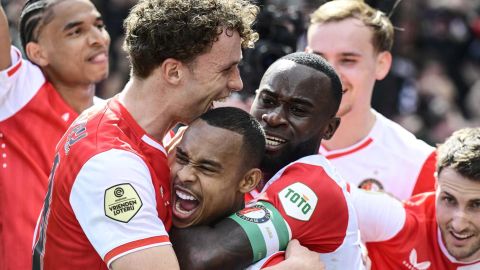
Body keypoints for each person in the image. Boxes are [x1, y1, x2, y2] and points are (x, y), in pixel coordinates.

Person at [31, 0, 258, 269]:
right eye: (225, 70)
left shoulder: (131, 129)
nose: (237, 83)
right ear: (174, 71)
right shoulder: (111, 163)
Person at [170, 52, 364, 269]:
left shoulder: (315, 187)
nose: (273, 117)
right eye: (268, 101)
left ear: (329, 128)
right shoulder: (244, 167)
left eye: (298, 110)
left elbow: (200, 256)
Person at [0, 1, 110, 269]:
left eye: (99, 25)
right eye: (75, 32)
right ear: (37, 53)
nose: (97, 39)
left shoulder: (114, 118)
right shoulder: (17, 92)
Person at [305, 0, 436, 200]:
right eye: (319, 59)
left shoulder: (418, 163)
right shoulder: (271, 142)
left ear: (382, 64)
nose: (329, 74)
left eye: (347, 60)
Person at [170, 106, 324, 270]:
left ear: (248, 181)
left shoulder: (271, 262)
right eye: (181, 157)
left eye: (206, 168)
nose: (184, 175)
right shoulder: (149, 194)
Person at [351, 127, 480, 269]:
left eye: (476, 205)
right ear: (436, 184)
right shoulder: (398, 220)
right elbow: (326, 193)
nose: (458, 225)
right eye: (449, 200)